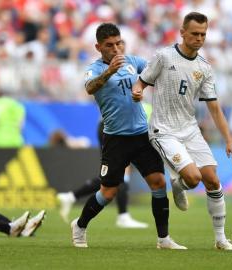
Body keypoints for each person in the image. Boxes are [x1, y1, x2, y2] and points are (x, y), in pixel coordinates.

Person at [71, 23, 186, 249]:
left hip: (142, 134)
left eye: (118, 43)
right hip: (115, 138)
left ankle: (163, 239)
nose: (116, 49)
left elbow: (155, 72)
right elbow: (90, 88)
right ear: (98, 47)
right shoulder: (94, 69)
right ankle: (80, 225)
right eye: (109, 45)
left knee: (158, 182)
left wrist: (146, 85)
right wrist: (110, 71)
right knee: (108, 192)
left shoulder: (133, 62)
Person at [132, 12, 232, 250]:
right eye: (195, 34)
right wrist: (138, 90)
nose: (199, 38)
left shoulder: (204, 67)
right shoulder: (163, 56)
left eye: (203, 34)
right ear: (182, 32)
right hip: (164, 130)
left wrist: (229, 140)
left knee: (212, 180)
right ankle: (180, 183)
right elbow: (142, 81)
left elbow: (214, 107)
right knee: (194, 177)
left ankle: (221, 239)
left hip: (190, 130)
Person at [57, 120, 149, 229]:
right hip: (116, 125)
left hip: (117, 125)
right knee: (119, 171)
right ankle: (123, 216)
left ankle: (71, 196)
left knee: (112, 175)